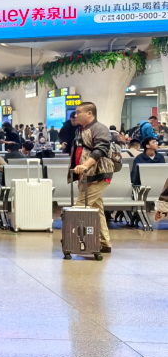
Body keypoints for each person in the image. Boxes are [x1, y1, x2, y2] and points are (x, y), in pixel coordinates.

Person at [70, 102, 115, 254]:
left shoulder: (99, 128)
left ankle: (72, 242)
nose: (75, 115)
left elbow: (101, 149)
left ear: (89, 113)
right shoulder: (80, 129)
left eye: (78, 112)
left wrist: (86, 165)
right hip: (85, 176)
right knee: (97, 209)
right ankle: (104, 242)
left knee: (79, 208)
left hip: (98, 174)